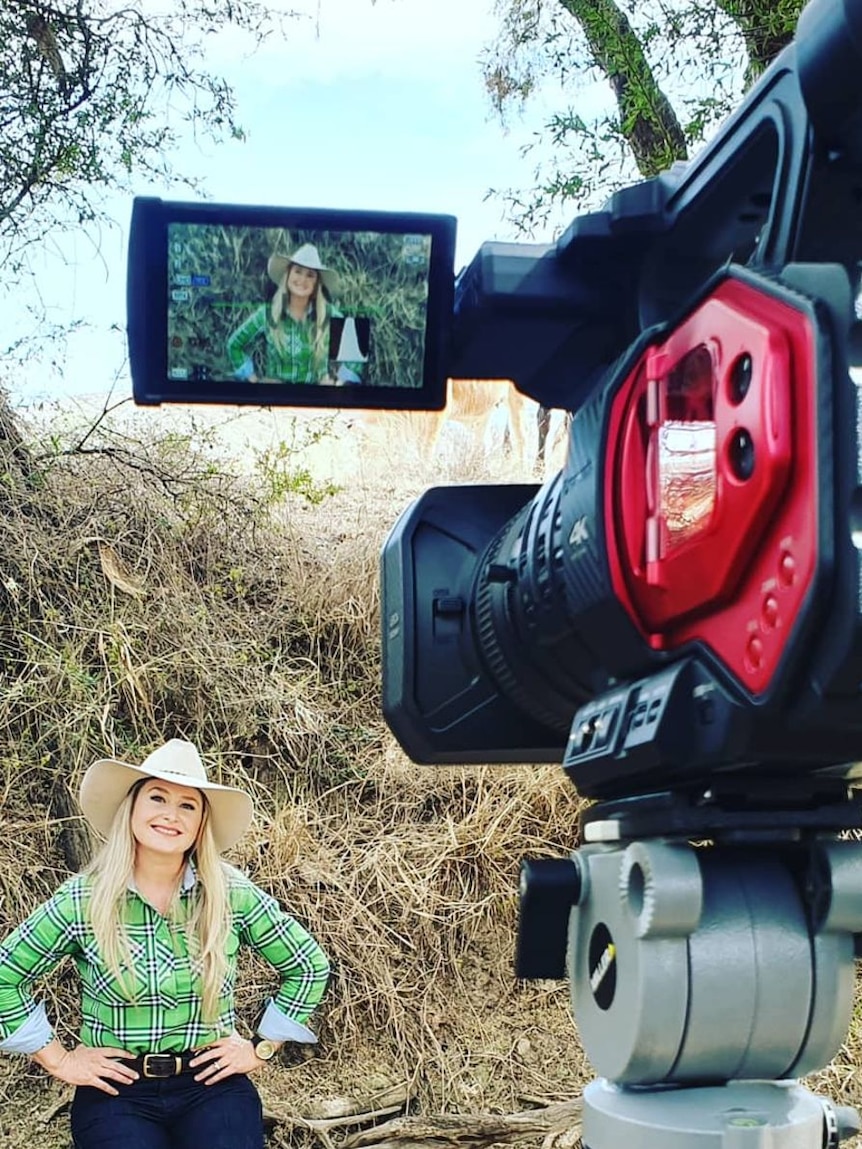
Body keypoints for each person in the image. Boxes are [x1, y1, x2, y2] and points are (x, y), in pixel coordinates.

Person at [0, 739, 330, 1149]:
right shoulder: (84, 899)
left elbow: (308, 965)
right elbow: (5, 976)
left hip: (211, 1084)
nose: (170, 815)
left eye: (188, 805)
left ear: (199, 824)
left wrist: (261, 1047)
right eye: (158, 797)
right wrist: (59, 1059)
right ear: (132, 808)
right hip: (116, 1091)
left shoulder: (230, 893)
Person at [226, 243, 364, 384]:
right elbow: (234, 345)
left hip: (315, 400)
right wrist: (253, 380)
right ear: (288, 275)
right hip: (276, 400)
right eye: (298, 271)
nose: (302, 280)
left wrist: (338, 384)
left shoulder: (329, 314)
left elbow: (356, 354)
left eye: (310, 275)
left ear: (316, 283)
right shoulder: (267, 313)